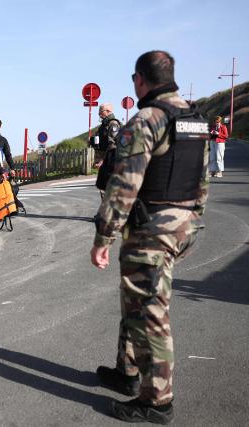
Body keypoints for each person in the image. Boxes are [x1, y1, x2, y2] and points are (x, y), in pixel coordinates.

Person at [90, 51, 209, 424]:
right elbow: (201, 180)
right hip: (181, 224)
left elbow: (124, 186)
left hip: (150, 230)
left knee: (148, 313)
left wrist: (103, 237)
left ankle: (156, 401)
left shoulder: (146, 120)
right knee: (137, 302)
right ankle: (127, 373)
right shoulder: (194, 119)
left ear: (140, 80)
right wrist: (192, 225)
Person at [94, 103, 122, 198]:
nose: (99, 114)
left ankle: (110, 212)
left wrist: (103, 160)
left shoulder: (113, 124)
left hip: (110, 161)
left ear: (108, 111)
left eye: (101, 112)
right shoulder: (104, 125)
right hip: (105, 160)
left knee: (108, 189)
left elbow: (113, 144)